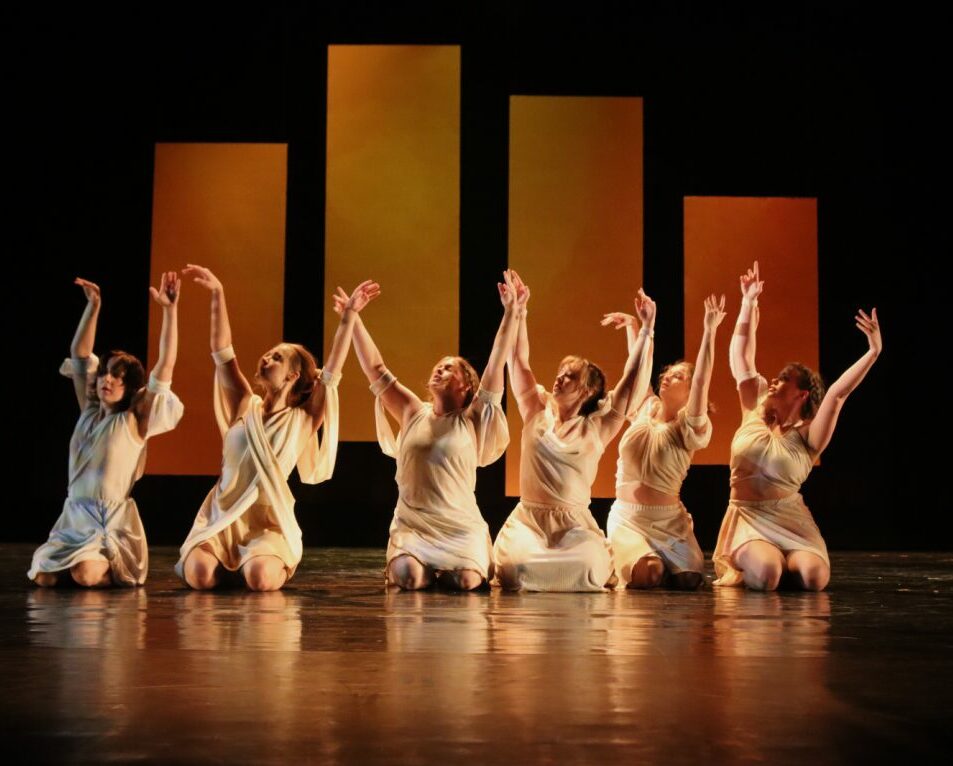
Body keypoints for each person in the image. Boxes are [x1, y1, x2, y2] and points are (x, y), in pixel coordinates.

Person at [177, 265, 379, 591]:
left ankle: (263, 564)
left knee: (259, 579)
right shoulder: (244, 402)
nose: (266, 359)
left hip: (267, 525)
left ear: (293, 376)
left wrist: (349, 317)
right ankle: (224, 564)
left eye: (277, 358)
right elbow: (222, 352)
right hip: (222, 516)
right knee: (199, 576)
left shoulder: (305, 418)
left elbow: (332, 372)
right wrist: (217, 293)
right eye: (267, 355)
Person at [337, 272, 520, 591]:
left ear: (466, 386)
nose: (440, 368)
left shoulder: (472, 418)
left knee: (464, 582)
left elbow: (496, 362)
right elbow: (376, 369)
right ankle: (409, 562)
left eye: (450, 368)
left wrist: (511, 314)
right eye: (439, 365)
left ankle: (467, 561)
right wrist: (353, 318)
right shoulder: (411, 411)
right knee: (410, 579)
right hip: (414, 527)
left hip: (459, 528)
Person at [713, 261, 882, 591]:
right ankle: (761, 563)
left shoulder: (808, 436)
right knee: (766, 575)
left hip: (790, 520)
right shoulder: (755, 407)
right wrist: (748, 303)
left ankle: (788, 558)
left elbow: (837, 394)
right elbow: (741, 356)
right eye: (776, 377)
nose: (775, 381)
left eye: (785, 380)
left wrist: (873, 352)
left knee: (813, 578)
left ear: (802, 393)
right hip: (749, 517)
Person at [492, 272, 654, 592]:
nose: (559, 379)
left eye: (569, 377)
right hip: (529, 519)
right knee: (515, 568)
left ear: (585, 392)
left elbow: (633, 378)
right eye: (560, 373)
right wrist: (519, 310)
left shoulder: (597, 427)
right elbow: (518, 360)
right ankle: (543, 572)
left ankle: (558, 574)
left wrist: (646, 329)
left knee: (587, 565)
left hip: (574, 524)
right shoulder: (536, 409)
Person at [30, 274, 184, 587]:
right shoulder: (88, 410)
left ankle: (110, 565)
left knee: (85, 575)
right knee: (44, 578)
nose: (107, 380)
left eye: (117, 376)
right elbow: (80, 353)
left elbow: (165, 366)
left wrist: (170, 311)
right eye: (105, 374)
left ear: (130, 387)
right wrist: (94, 306)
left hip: (108, 521)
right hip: (74, 517)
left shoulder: (134, 419)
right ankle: (83, 562)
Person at [605, 293, 726, 589]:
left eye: (678, 377)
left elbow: (702, 380)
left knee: (688, 579)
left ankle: (672, 556)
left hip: (669, 521)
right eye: (668, 374)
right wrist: (637, 327)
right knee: (650, 573)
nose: (668, 378)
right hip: (628, 518)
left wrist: (709, 331)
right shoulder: (645, 407)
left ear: (691, 392)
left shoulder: (691, 426)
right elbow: (636, 371)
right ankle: (630, 557)